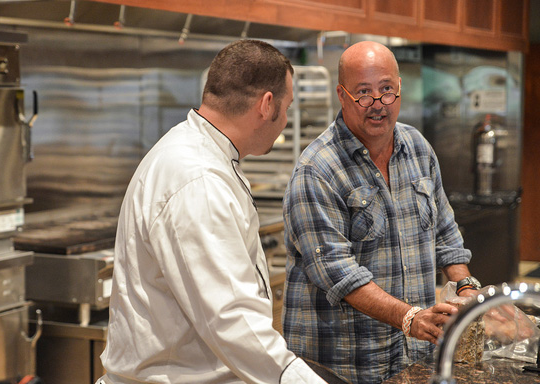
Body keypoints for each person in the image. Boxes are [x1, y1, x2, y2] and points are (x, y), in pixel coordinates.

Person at [96, 39, 327, 384]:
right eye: (288, 107)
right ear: (266, 105)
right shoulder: (199, 179)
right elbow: (231, 318)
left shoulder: (200, 154)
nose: (286, 122)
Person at [282, 41, 479, 384]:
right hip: (340, 364)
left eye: (387, 90)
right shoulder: (317, 170)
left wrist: (464, 286)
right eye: (364, 93)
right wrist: (409, 317)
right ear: (341, 95)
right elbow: (337, 273)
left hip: (411, 356)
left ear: (400, 90)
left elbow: (444, 231)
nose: (378, 105)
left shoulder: (417, 148)